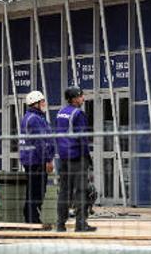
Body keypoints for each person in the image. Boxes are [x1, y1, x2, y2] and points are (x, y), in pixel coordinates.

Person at [55, 86, 96, 233]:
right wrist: (87, 157)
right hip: (77, 158)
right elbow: (82, 139)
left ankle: (60, 224)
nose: (82, 98)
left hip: (64, 158)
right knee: (81, 191)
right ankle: (80, 224)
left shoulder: (60, 113)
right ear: (73, 99)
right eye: (80, 96)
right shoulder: (78, 114)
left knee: (64, 191)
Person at [19, 90, 55, 225]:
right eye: (42, 101)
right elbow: (40, 142)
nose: (44, 104)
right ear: (36, 103)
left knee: (35, 191)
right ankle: (32, 220)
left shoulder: (35, 117)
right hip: (36, 160)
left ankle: (32, 219)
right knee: (36, 192)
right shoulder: (34, 119)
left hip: (33, 160)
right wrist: (47, 160)